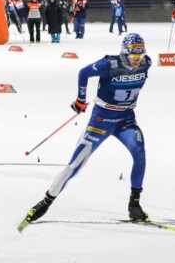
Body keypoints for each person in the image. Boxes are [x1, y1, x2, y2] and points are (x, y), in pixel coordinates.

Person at [19, 33, 153, 228]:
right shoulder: (110, 64)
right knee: (75, 165)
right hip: (101, 121)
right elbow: (84, 72)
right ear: (125, 54)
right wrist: (80, 100)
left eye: (139, 56)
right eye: (133, 56)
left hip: (126, 119)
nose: (137, 61)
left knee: (139, 153)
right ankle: (45, 202)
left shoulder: (146, 63)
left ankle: (134, 204)